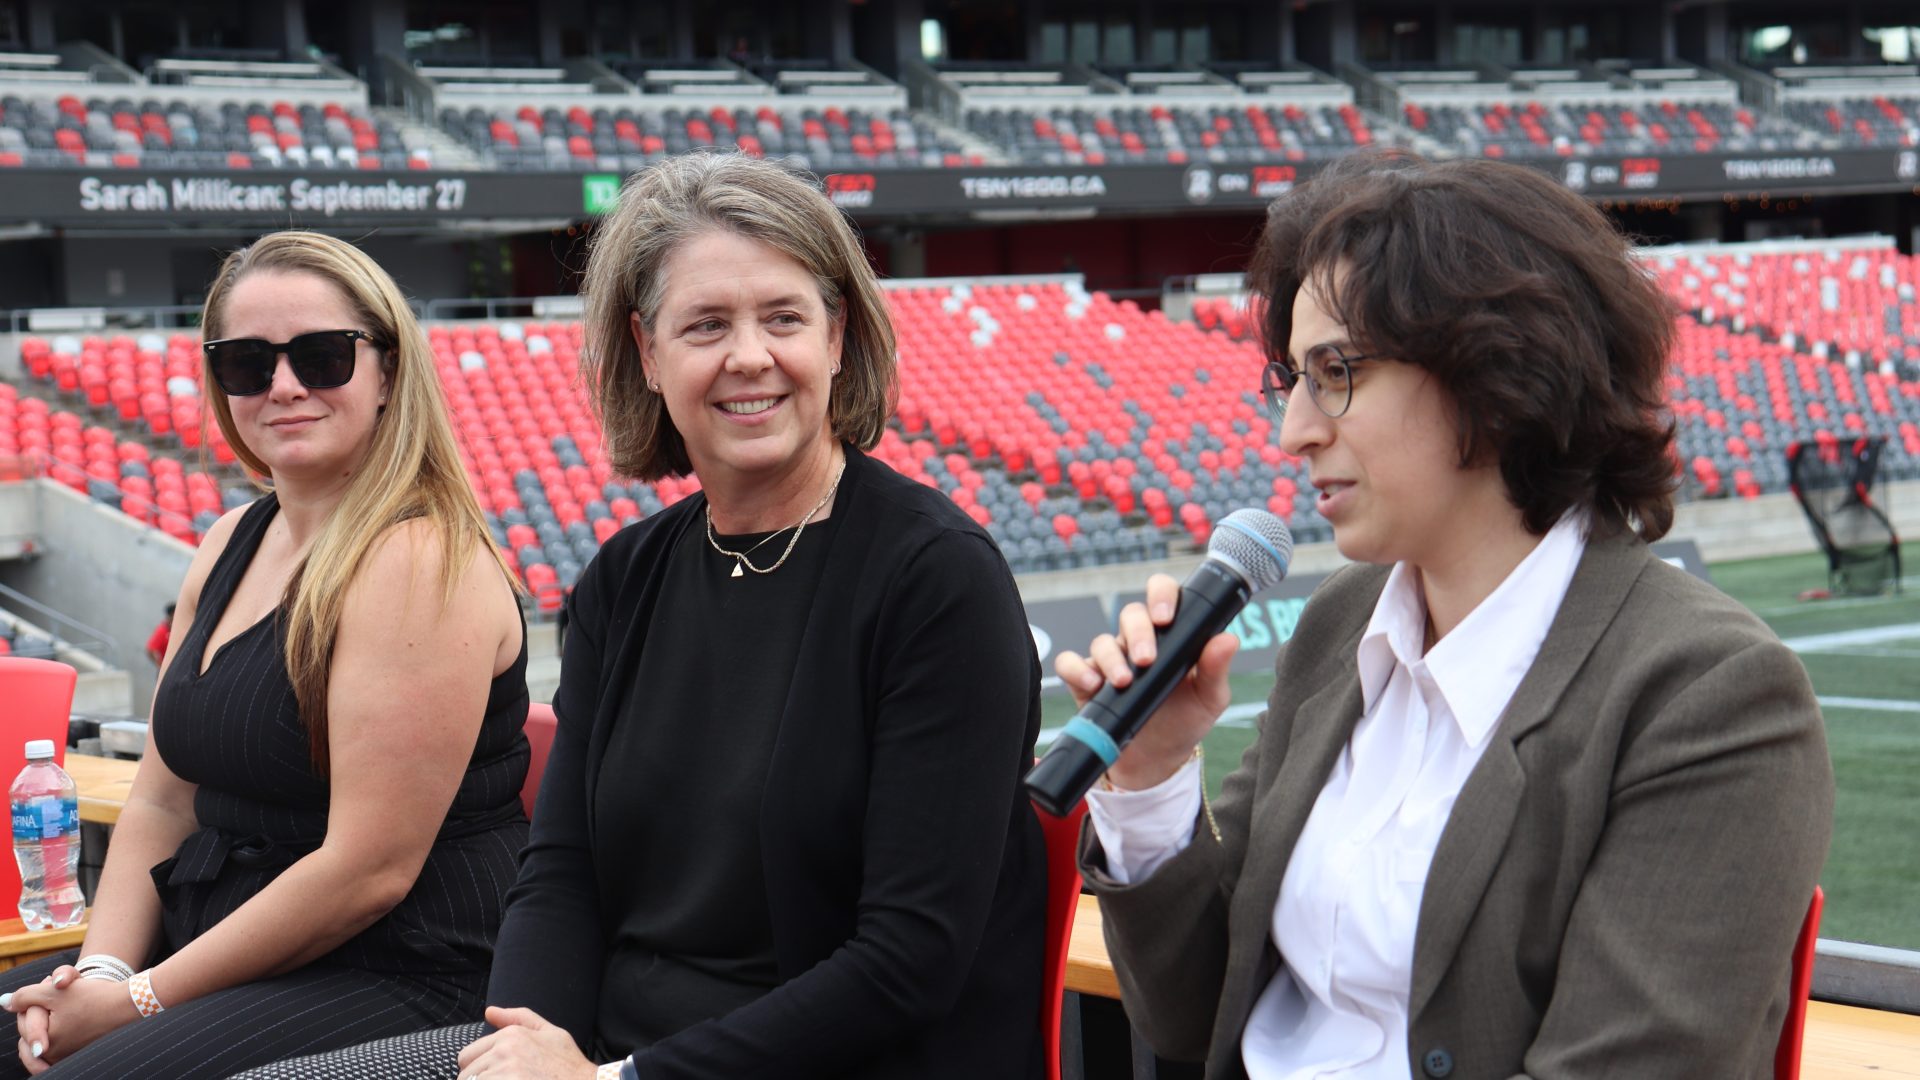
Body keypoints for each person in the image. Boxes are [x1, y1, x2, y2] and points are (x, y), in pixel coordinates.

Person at [241, 151, 1046, 1080]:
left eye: (784, 317)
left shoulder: (937, 581)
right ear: (647, 353)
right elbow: (562, 873)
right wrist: (527, 1045)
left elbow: (908, 963)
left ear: (837, 339)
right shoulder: (625, 577)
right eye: (705, 325)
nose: (750, 355)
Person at [1057, 150, 1833, 1079]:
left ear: (1496, 368)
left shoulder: (1709, 693)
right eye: (1292, 380)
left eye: (1336, 370)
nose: (1294, 430)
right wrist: (1150, 778)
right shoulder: (1341, 627)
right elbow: (1195, 1018)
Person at [0, 231, 529, 1078]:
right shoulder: (229, 539)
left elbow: (368, 871)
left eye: (322, 356)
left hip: (399, 967)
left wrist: (134, 1002)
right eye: (246, 363)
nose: (283, 385)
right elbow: (162, 804)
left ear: (388, 371)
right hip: (217, 942)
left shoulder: (419, 559)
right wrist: (101, 971)